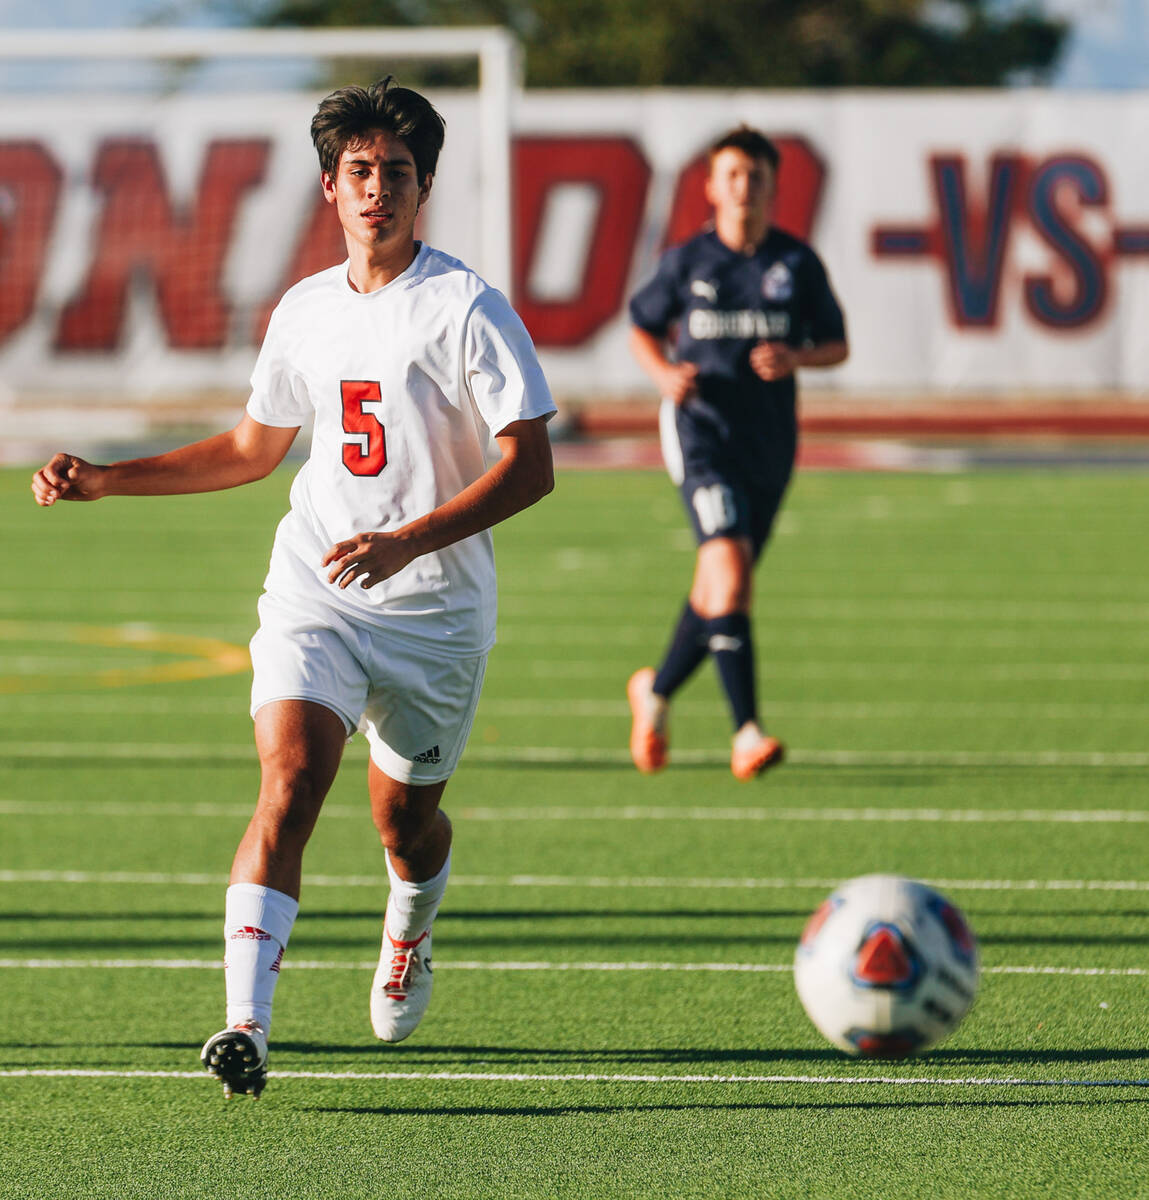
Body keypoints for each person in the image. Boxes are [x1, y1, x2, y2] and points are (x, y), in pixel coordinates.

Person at [31, 78, 555, 1098]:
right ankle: (246, 1027)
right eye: (360, 171)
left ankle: (410, 926)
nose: (377, 189)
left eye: (396, 173)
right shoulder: (306, 309)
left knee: (405, 825)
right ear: (329, 186)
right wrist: (107, 478)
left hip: (437, 614)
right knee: (287, 783)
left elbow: (531, 465)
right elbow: (251, 448)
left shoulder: (466, 307)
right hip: (319, 591)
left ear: (425, 186)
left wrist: (411, 540)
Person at [626, 124, 848, 781]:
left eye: (755, 177)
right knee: (730, 570)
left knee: (716, 588)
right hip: (701, 435)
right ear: (711, 186)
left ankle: (655, 692)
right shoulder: (688, 262)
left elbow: (836, 344)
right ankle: (745, 730)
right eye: (731, 175)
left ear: (772, 187)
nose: (743, 187)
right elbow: (640, 322)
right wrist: (664, 373)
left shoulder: (795, 264)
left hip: (769, 442)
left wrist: (798, 356)